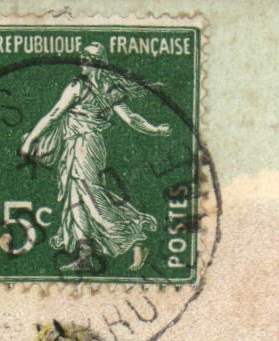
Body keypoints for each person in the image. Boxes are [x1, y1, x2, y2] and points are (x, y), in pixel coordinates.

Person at [18, 41, 171, 272]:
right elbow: (131, 119)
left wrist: (29, 142)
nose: (82, 60)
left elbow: (53, 116)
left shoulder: (79, 87)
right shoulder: (110, 89)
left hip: (83, 146)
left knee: (92, 198)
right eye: (82, 56)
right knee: (74, 198)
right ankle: (85, 255)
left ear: (98, 62)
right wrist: (154, 129)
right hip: (81, 146)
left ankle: (137, 238)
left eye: (87, 57)